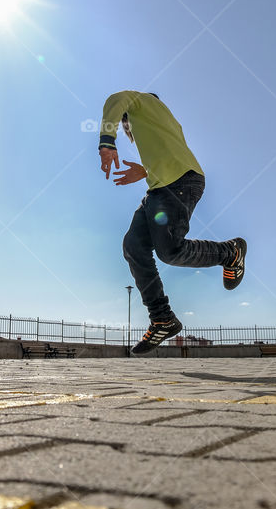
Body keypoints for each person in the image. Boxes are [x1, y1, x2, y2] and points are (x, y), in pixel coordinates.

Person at [98, 90, 245, 354]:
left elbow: (115, 99)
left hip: (179, 184)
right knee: (133, 246)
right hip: (161, 189)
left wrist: (107, 141)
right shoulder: (162, 123)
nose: (126, 127)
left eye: (124, 123)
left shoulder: (141, 101)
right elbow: (167, 153)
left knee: (170, 250)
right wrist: (143, 172)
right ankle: (162, 318)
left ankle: (230, 252)